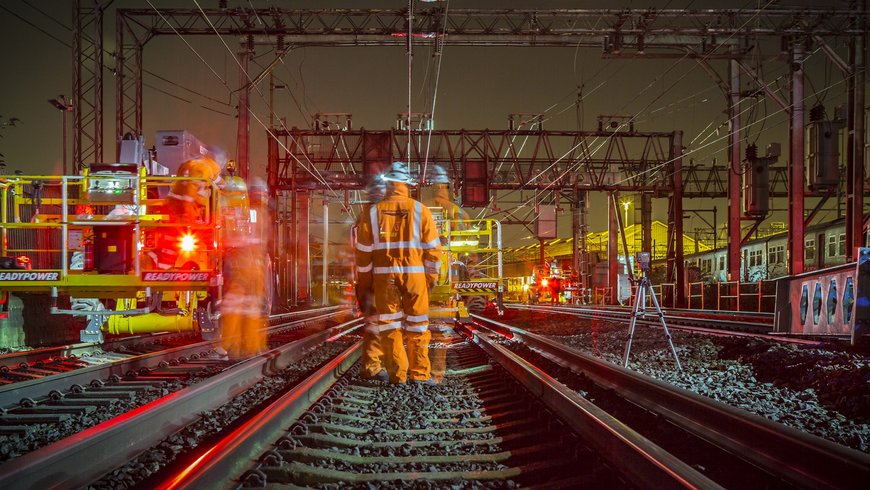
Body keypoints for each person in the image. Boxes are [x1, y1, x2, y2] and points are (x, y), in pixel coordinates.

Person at [354, 162, 442, 384]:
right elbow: (433, 250)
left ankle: (398, 375)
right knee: (418, 325)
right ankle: (420, 374)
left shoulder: (372, 212)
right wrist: (430, 279)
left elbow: (363, 254)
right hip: (415, 277)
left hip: (384, 278)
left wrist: (365, 283)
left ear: (388, 185)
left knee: (390, 326)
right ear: (407, 185)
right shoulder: (421, 210)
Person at [353, 178, 389, 382]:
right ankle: (374, 367)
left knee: (378, 324)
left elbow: (363, 254)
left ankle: (375, 366)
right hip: (382, 279)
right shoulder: (381, 215)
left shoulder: (368, 215)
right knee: (380, 323)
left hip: (376, 278)